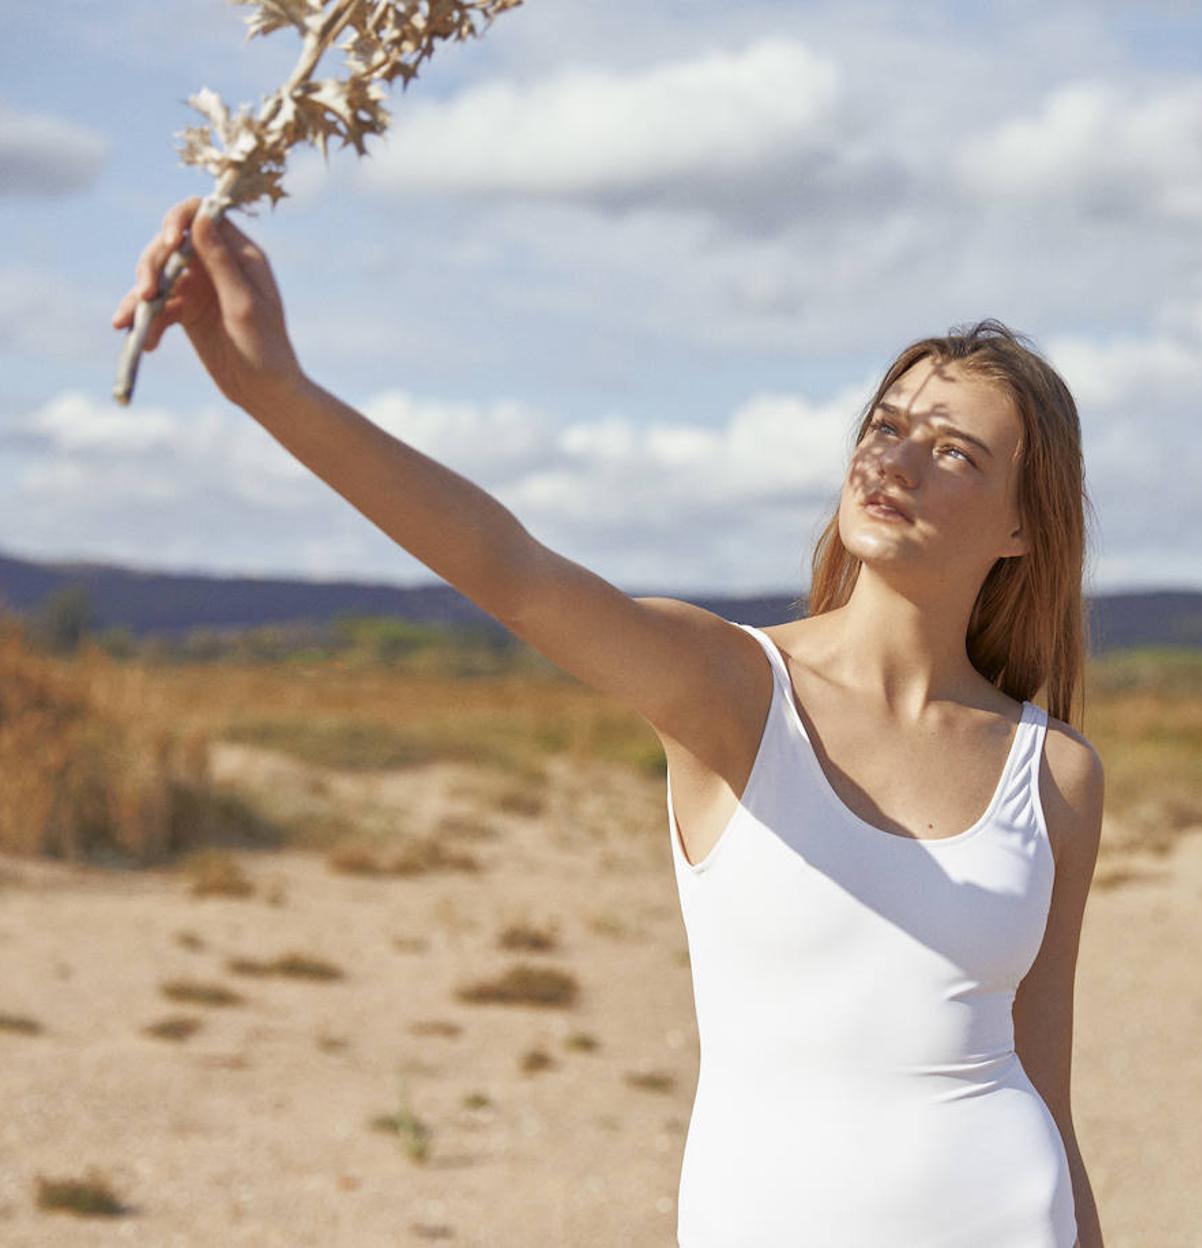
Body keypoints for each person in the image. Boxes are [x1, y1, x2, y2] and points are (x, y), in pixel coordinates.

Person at [113, 197, 1105, 1247]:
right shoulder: (734, 692)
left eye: (954, 453)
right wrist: (275, 390)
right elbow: (510, 571)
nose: (895, 463)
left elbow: (1044, 1088)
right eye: (886, 427)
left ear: (1020, 526)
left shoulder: (1054, 774)